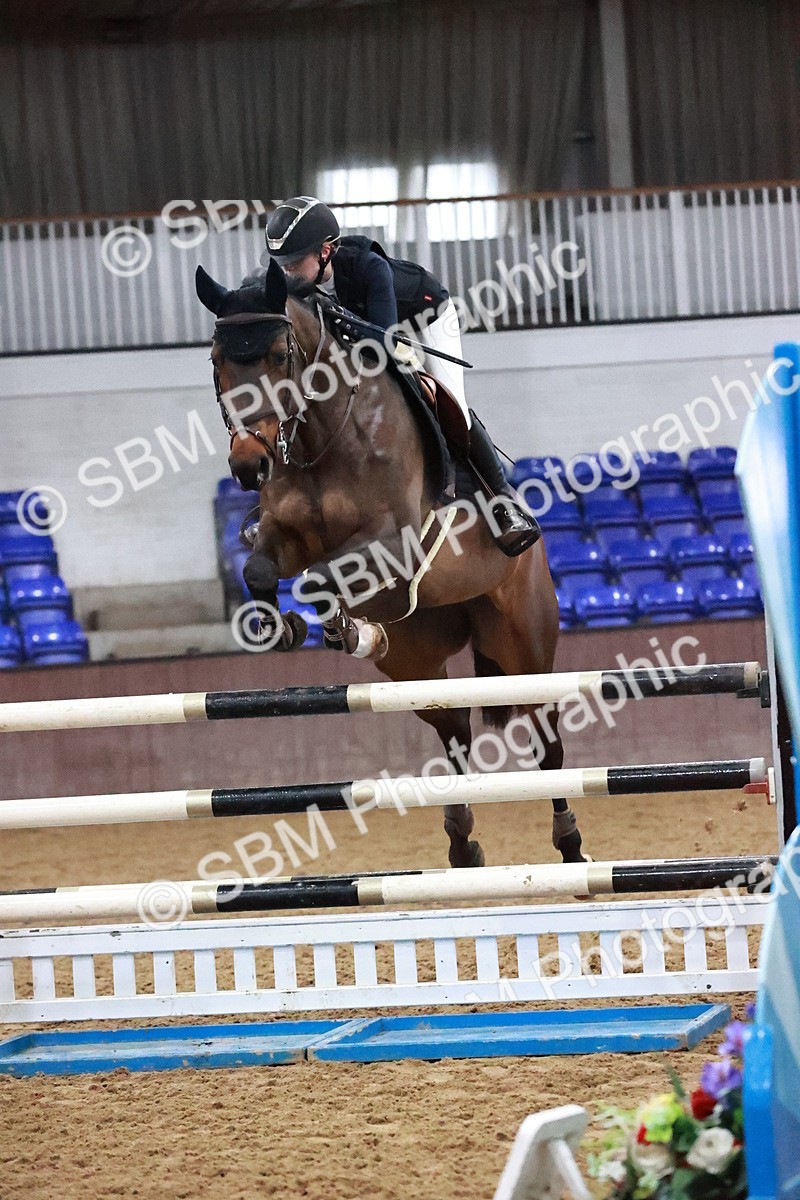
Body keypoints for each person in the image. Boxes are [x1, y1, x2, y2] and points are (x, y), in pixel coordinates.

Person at [264, 196, 540, 556]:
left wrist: (337, 318)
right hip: (374, 333)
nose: (287, 272)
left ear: (326, 251)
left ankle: (504, 502)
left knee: (450, 401)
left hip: (425, 320)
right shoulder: (299, 281)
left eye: (294, 262)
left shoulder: (369, 267)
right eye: (281, 264)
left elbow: (382, 343)